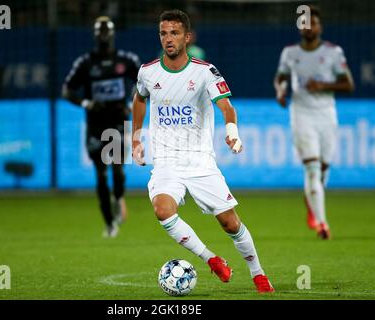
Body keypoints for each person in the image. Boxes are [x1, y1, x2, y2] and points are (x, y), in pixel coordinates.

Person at [132, 9, 274, 293]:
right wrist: (136, 138)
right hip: (166, 161)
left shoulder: (205, 71)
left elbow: (226, 106)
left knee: (230, 223)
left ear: (187, 37)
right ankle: (211, 259)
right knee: (163, 210)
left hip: (199, 162)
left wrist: (232, 132)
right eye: (163, 33)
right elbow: (139, 99)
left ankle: (258, 274)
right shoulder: (148, 72)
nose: (168, 39)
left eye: (174, 33)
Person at [274, 6, 354, 240]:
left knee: (323, 168)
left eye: (313, 23)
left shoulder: (333, 52)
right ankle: (322, 223)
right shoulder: (289, 53)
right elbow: (280, 78)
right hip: (301, 114)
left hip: (326, 114)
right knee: (311, 167)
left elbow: (348, 85)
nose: (309, 27)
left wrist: (323, 86)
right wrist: (280, 91)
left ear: (320, 26)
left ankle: (312, 201)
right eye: (305, 22)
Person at [62, 16, 140, 238]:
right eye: (101, 33)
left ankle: (118, 198)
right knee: (100, 174)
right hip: (96, 124)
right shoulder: (86, 63)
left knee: (116, 169)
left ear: (113, 35)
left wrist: (131, 102)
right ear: (96, 36)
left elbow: (143, 81)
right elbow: (67, 89)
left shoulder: (125, 60)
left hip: (115, 122)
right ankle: (109, 223)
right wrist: (86, 103)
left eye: (107, 33)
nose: (104, 38)